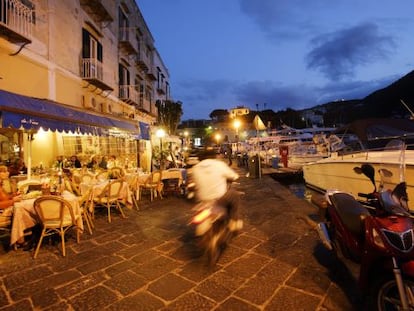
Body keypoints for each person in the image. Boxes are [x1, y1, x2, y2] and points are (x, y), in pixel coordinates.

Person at [192, 150, 243, 231]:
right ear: (214, 156)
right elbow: (234, 176)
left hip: (203, 199)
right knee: (234, 195)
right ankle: (233, 221)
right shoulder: (219, 164)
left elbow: (195, 183)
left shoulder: (195, 168)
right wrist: (234, 177)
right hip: (219, 198)